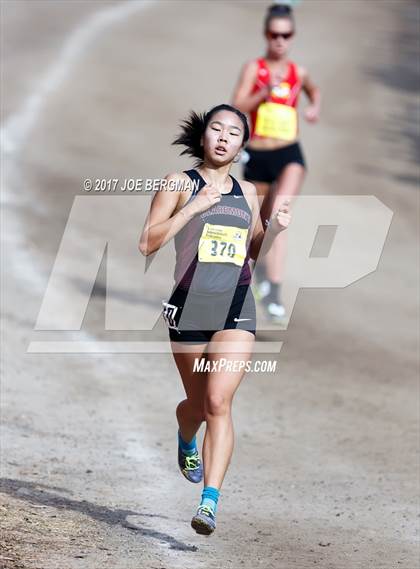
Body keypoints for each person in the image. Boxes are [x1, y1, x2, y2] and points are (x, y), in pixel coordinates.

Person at [139, 104, 291, 535]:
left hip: (235, 305)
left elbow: (254, 251)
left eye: (233, 133)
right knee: (197, 408)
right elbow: (147, 243)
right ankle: (186, 434)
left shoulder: (248, 192)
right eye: (216, 129)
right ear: (203, 137)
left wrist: (274, 230)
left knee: (219, 403)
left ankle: (209, 502)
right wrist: (192, 208)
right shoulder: (178, 183)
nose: (224, 137)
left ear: (243, 145)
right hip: (189, 308)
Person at [232, 2, 320, 321]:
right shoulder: (255, 69)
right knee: (258, 225)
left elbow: (313, 90)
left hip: (289, 154)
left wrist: (313, 108)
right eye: (274, 34)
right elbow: (237, 103)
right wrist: (262, 94)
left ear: (292, 36)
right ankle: (252, 281)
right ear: (266, 34)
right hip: (258, 154)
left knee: (280, 218)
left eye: (286, 35)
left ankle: (274, 288)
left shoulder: (300, 72)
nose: (280, 41)